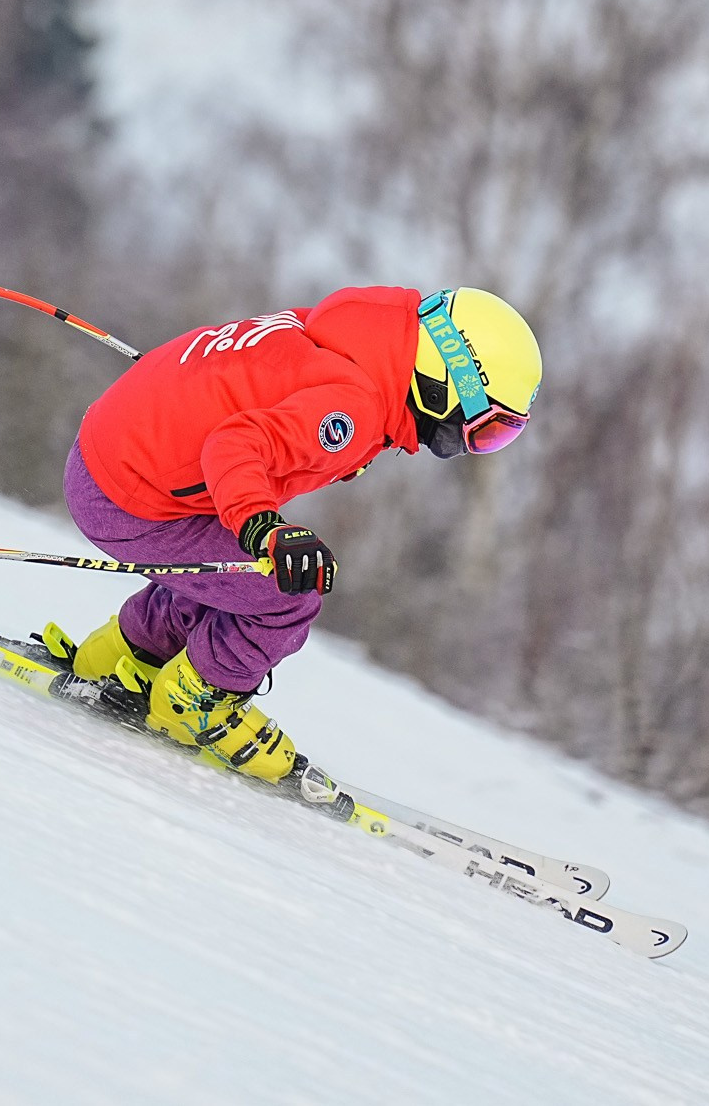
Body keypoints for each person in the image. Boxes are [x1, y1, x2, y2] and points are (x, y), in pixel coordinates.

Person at [42, 285, 541, 783]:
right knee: (286, 596)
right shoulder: (356, 407)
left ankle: (126, 654)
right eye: (486, 430)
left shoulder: (352, 336)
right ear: (443, 387)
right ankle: (194, 704)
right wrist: (262, 526)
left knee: (233, 581)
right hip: (128, 499)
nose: (473, 446)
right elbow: (234, 445)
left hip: (111, 453)